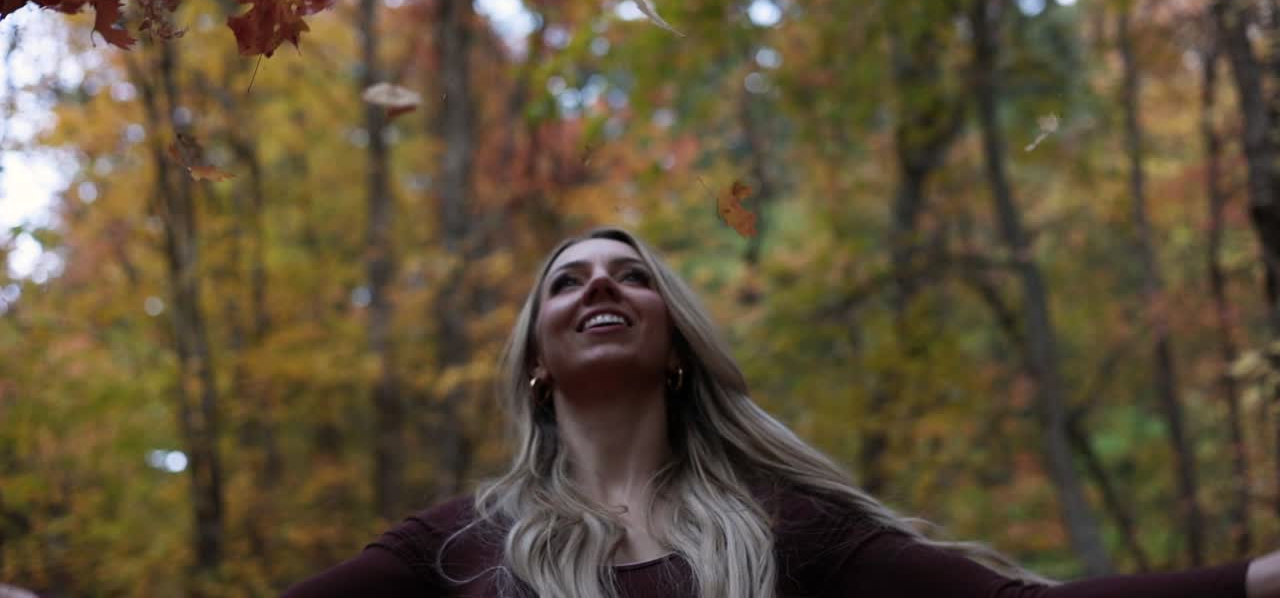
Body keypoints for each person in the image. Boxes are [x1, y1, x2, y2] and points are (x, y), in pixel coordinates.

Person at [283, 226, 1280, 597]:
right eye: (568, 281)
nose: (603, 287)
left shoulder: (787, 532)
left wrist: (1255, 579)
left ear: (674, 347)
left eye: (633, 277)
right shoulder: (457, 546)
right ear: (535, 360)